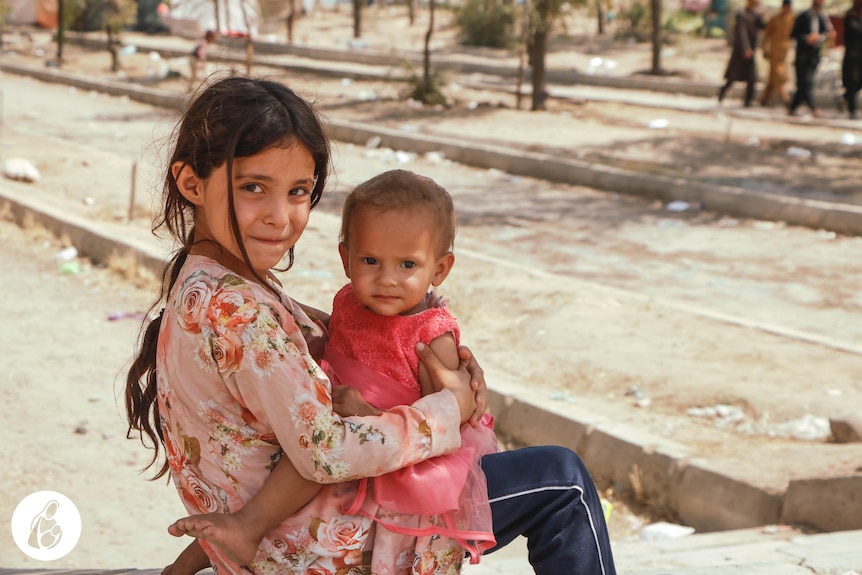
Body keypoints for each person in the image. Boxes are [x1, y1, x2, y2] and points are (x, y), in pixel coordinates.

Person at [124, 75, 616, 575]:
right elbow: (327, 453)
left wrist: (432, 352)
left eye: (298, 191)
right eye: (253, 187)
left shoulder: (207, 281)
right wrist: (449, 408)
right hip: (324, 542)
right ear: (192, 184)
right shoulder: (237, 308)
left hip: (286, 532)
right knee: (564, 482)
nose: (280, 216)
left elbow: (305, 343)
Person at [165, 169, 500, 573]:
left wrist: (369, 413)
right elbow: (338, 346)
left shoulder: (431, 333)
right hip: (336, 440)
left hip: (392, 453)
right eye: (370, 261)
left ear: (440, 269)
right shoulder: (345, 301)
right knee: (312, 453)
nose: (386, 279)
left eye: (407, 264)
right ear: (346, 259)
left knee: (309, 459)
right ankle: (232, 535)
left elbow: (444, 423)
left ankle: (241, 530)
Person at [788, 0, 836, 116]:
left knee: (805, 82)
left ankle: (793, 107)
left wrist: (820, 37)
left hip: (814, 55)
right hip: (802, 55)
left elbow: (826, 33)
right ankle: (813, 107)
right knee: (805, 81)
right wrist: (806, 38)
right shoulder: (803, 16)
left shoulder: (822, 18)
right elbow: (793, 34)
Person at [718, 0, 766, 107]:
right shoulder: (741, 14)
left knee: (751, 79)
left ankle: (747, 102)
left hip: (751, 52)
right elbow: (741, 32)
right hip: (740, 52)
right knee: (733, 77)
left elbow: (764, 26)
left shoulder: (757, 15)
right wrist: (746, 48)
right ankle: (721, 94)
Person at [760, 0, 795, 106]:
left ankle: (765, 99)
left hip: (785, 51)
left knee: (773, 76)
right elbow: (766, 35)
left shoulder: (792, 20)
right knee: (779, 74)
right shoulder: (775, 19)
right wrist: (765, 49)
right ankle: (785, 97)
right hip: (774, 50)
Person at [842, 0, 862, 118]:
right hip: (852, 55)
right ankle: (851, 109)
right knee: (852, 82)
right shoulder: (851, 15)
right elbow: (856, 30)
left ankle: (847, 96)